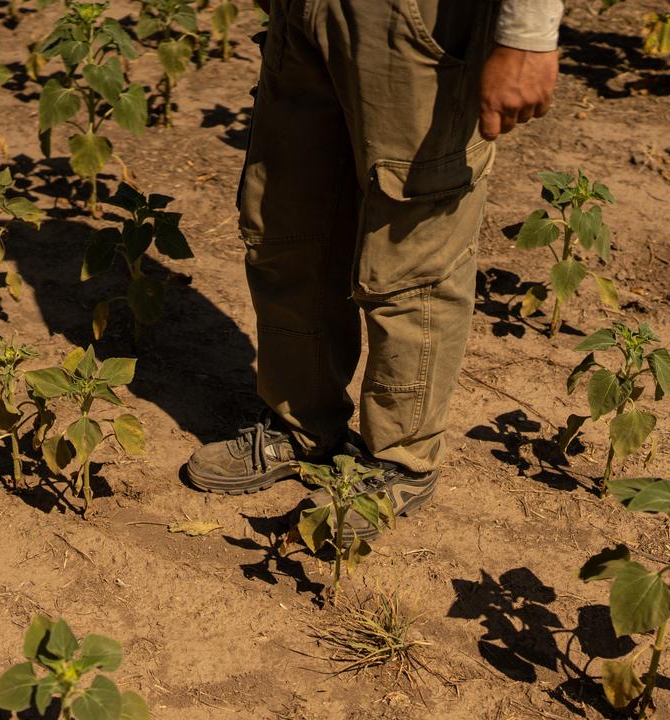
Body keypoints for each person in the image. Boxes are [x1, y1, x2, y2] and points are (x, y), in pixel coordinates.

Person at [185, 0, 562, 538]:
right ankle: (301, 424)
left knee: (413, 244)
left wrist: (528, 32)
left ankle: (399, 459)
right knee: (287, 218)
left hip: (420, 17)